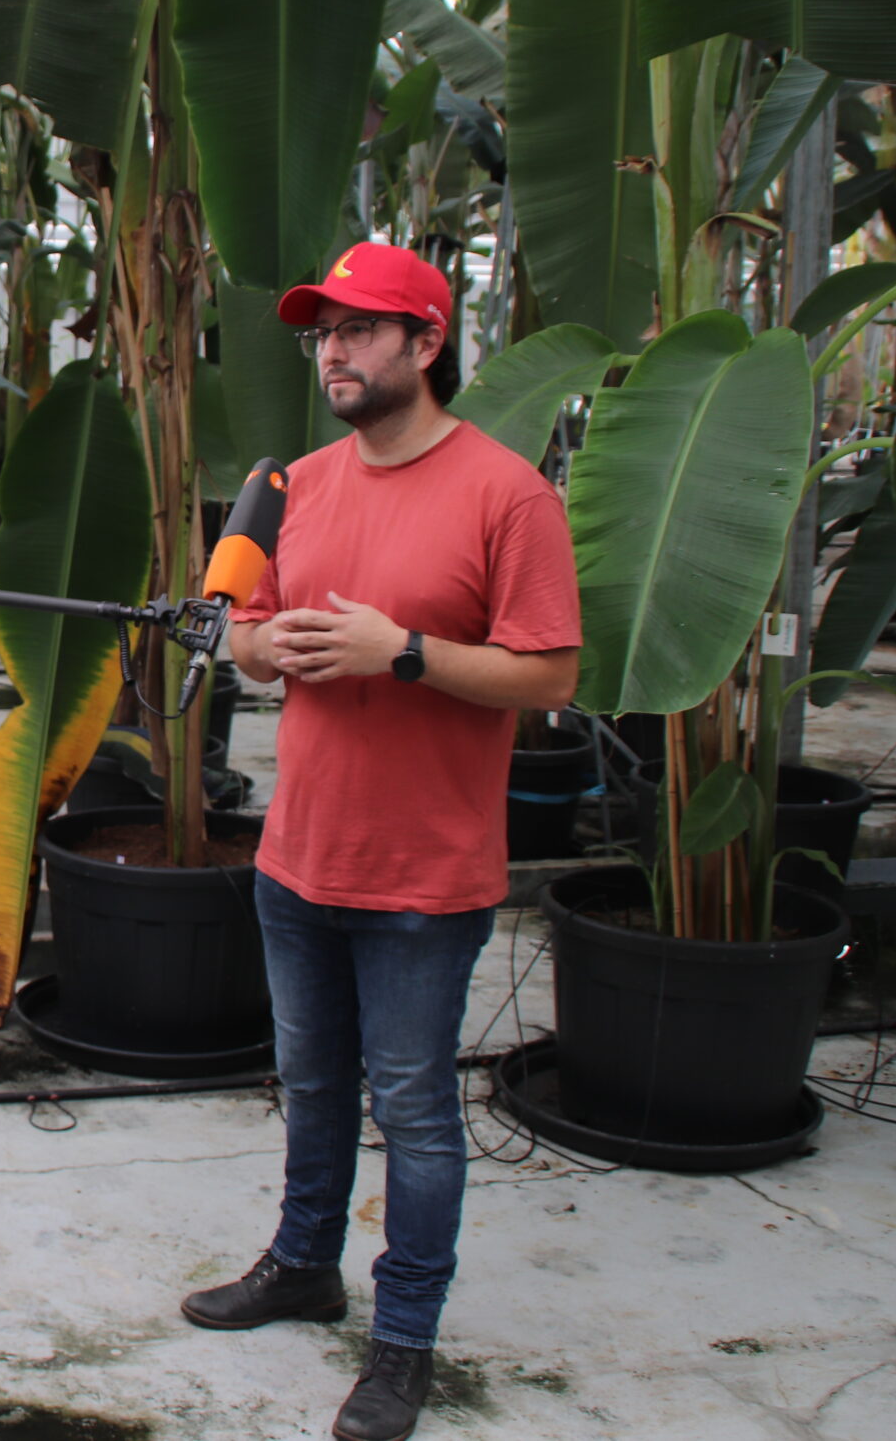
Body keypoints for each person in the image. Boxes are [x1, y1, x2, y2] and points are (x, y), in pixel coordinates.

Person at [193, 242, 581, 1441]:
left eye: (360, 329)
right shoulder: (295, 482)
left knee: (412, 1109)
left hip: (424, 874)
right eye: (322, 332)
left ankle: (401, 1341)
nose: (333, 352)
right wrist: (262, 649)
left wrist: (399, 651)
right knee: (310, 1084)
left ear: (425, 344)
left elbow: (551, 672)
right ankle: (304, 1264)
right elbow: (238, 627)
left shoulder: (506, 493)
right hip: (297, 855)